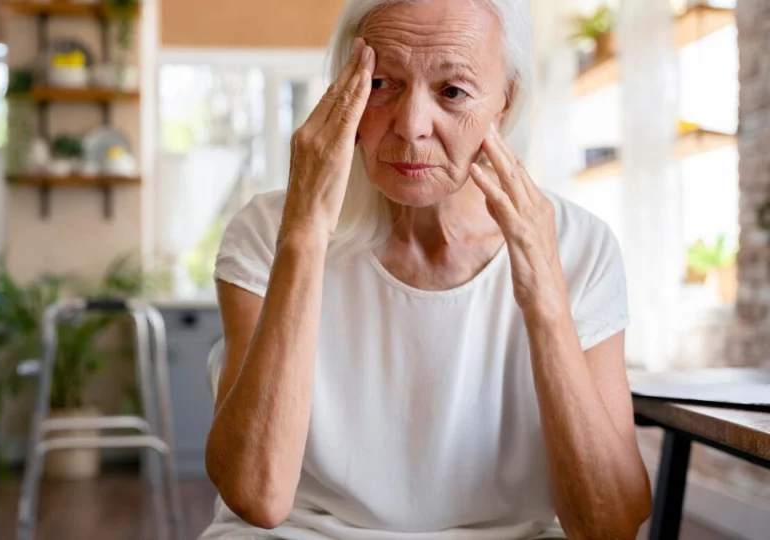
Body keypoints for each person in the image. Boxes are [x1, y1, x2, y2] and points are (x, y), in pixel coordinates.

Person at [201, 0, 652, 538]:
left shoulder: (581, 246)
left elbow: (608, 524)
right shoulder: (269, 230)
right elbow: (256, 494)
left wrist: (546, 298)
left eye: (452, 91)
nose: (412, 126)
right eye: (381, 84)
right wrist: (305, 234)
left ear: (506, 101)